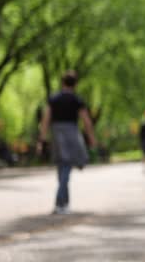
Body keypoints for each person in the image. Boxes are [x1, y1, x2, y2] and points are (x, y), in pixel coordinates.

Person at [37, 70, 97, 215]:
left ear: (63, 82)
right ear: (75, 84)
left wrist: (42, 139)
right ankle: (60, 203)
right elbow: (86, 121)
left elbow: (45, 120)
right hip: (71, 133)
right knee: (66, 167)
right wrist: (91, 138)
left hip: (56, 133)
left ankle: (64, 203)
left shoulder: (54, 99)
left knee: (62, 167)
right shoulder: (77, 100)